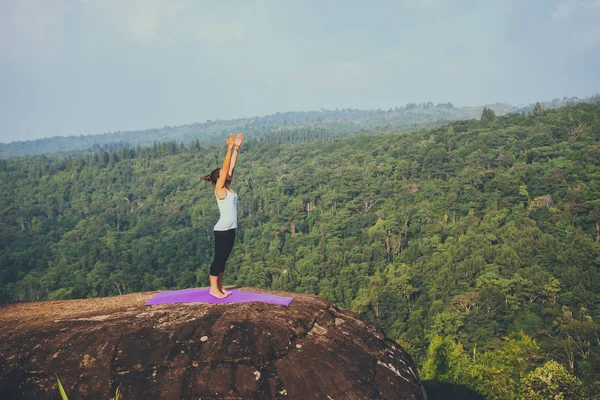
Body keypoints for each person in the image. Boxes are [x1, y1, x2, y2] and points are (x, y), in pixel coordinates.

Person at [203, 132, 244, 298]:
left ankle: (220, 287)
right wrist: (228, 148)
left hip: (231, 228)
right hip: (222, 230)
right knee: (218, 259)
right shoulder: (219, 189)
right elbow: (226, 166)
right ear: (218, 178)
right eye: (222, 172)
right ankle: (213, 289)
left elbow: (231, 167)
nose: (226, 173)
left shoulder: (227, 186)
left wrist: (237, 149)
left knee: (224, 259)